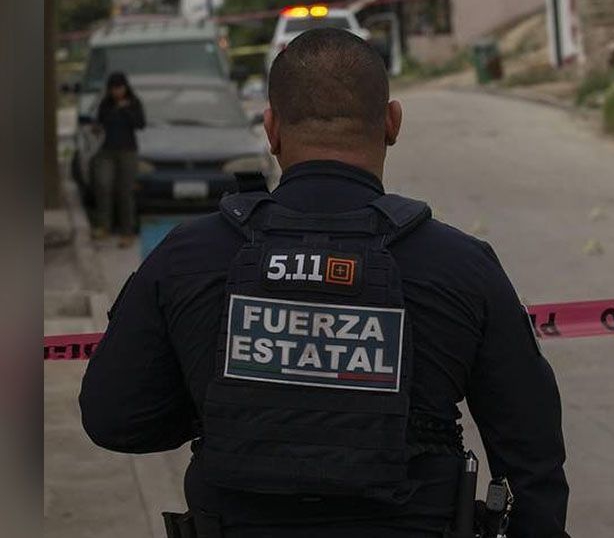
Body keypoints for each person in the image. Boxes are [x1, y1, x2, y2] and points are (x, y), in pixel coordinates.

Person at [79, 29, 569, 538]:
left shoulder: (188, 256)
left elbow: (115, 418)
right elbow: (531, 453)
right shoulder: (461, 265)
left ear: (271, 129)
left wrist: (232, 406)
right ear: (391, 123)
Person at [93, 71, 145, 247]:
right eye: (114, 89)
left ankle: (127, 232)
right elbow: (100, 120)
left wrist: (126, 109)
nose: (117, 92)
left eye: (120, 88)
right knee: (104, 185)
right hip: (107, 151)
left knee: (126, 192)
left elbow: (140, 123)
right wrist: (115, 108)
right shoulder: (106, 103)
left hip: (127, 151)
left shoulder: (133, 102)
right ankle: (104, 225)